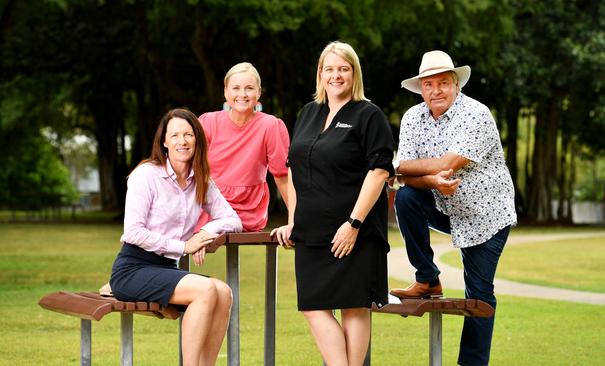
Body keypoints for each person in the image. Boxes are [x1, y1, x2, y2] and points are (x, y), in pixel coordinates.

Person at [388, 50, 517, 366]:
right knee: (405, 198)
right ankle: (428, 279)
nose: (436, 91)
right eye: (429, 84)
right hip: (443, 204)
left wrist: (415, 170)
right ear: (421, 88)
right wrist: (429, 178)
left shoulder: (477, 114)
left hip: (486, 213)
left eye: (443, 83)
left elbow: (448, 163)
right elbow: (401, 171)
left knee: (478, 295)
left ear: (456, 84)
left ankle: (471, 364)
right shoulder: (411, 118)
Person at [272, 41, 394, 366]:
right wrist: (293, 219)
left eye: (343, 68)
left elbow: (379, 170)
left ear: (354, 74)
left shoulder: (368, 114)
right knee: (313, 307)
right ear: (320, 74)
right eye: (329, 69)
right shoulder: (309, 113)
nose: (336, 75)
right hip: (311, 234)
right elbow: (294, 168)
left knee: (354, 307)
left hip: (354, 233)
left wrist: (353, 224)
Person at [109, 108, 242, 366]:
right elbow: (133, 232)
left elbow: (233, 220)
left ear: (197, 140)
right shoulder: (146, 175)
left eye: (189, 135)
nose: (182, 141)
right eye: (175, 135)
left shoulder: (201, 180)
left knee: (223, 292)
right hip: (133, 268)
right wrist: (184, 245)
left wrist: (205, 231)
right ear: (164, 142)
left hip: (166, 268)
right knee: (205, 290)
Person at [196, 62, 290, 232]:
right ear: (225, 92)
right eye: (236, 88)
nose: (243, 94)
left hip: (248, 211)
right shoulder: (208, 123)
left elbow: (282, 176)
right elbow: (193, 169)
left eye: (249, 88)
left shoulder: (271, 126)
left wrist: (295, 219)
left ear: (259, 92)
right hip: (210, 206)